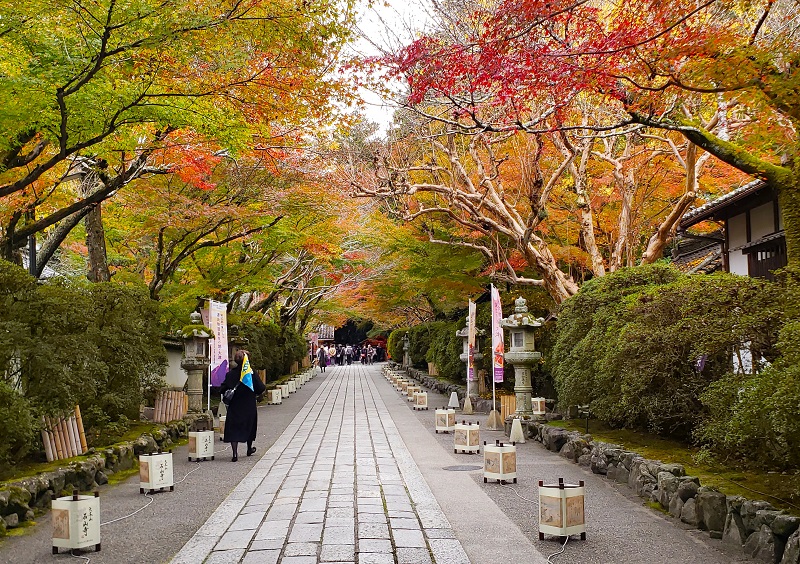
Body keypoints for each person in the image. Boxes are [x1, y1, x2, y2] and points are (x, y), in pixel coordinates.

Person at [220, 349, 266, 462]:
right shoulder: (251, 374)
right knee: (249, 427)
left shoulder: (230, 374)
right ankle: (249, 448)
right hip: (248, 405)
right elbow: (260, 388)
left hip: (235, 406)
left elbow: (222, 388)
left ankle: (234, 454)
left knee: (233, 429)